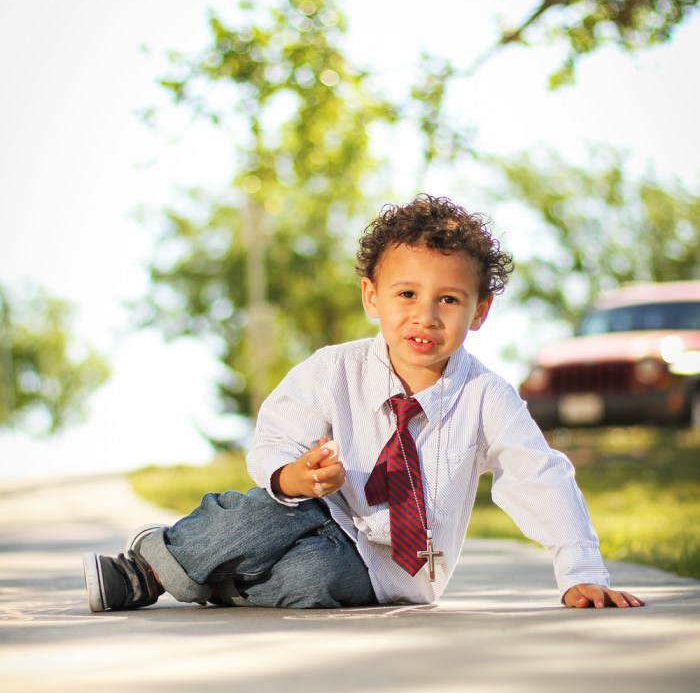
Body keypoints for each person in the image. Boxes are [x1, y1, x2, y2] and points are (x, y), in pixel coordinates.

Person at [83, 194, 644, 613]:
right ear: (372, 296)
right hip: (317, 510)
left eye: (448, 300)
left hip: (389, 573)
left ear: (479, 312)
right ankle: (148, 571)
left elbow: (539, 476)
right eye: (406, 294)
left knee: (311, 580)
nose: (425, 316)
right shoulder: (334, 369)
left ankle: (220, 579)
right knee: (261, 511)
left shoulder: (486, 397)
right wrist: (289, 475)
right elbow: (278, 433)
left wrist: (579, 571)